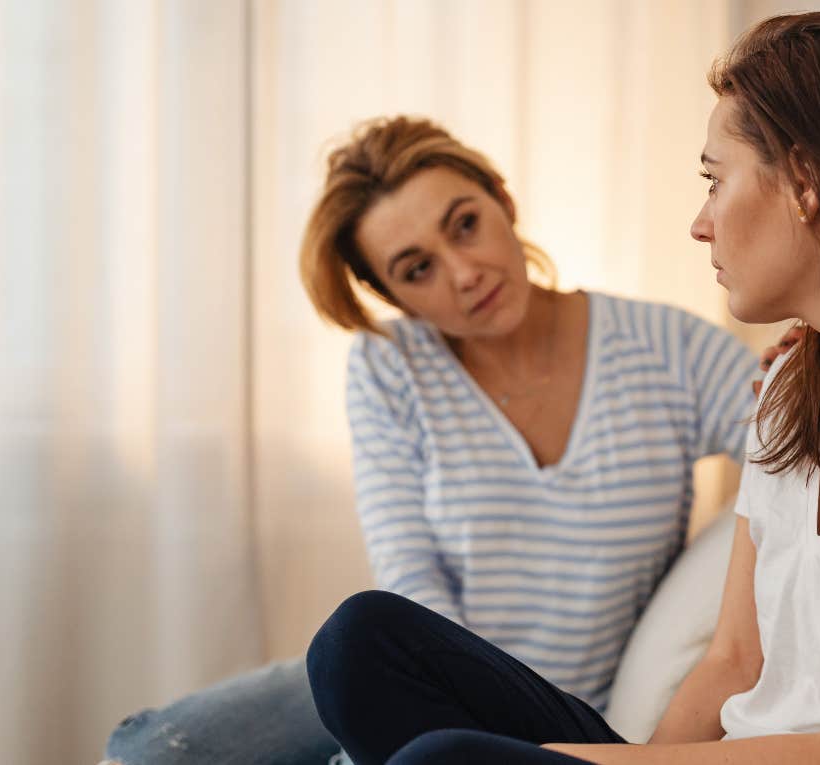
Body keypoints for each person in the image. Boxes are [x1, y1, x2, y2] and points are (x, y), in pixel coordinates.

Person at [305, 11, 820, 765]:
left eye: (714, 180)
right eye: (416, 269)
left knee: (441, 758)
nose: (700, 221)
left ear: (807, 182)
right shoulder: (793, 389)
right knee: (357, 641)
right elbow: (732, 658)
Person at [104, 116, 769, 764]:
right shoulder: (391, 367)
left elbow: (802, 435)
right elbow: (410, 581)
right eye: (417, 268)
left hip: (558, 711)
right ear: (393, 294)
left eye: (466, 225)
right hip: (418, 676)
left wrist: (815, 365)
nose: (464, 272)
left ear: (501, 200)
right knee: (148, 749)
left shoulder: (665, 349)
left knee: (395, 702)